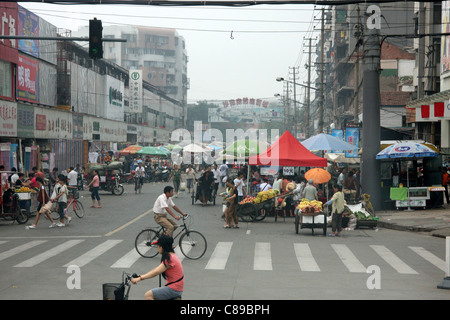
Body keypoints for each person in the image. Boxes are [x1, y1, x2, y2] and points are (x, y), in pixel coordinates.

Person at [131, 235, 184, 300]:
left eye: (158, 246)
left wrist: (139, 279)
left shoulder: (170, 259)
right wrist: (140, 276)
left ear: (162, 247)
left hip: (174, 289)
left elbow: (156, 272)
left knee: (148, 295)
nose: (157, 248)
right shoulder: (172, 255)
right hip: (176, 287)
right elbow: (156, 269)